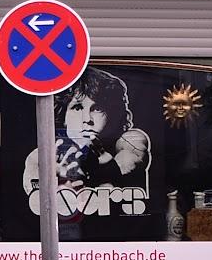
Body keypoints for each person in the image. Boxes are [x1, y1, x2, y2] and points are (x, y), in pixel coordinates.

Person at [23, 68, 150, 196]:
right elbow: (35, 198)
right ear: (63, 115)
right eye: (77, 108)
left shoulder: (129, 141)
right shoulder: (42, 156)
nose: (87, 119)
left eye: (97, 108)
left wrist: (106, 163)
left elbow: (130, 162)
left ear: (113, 114)